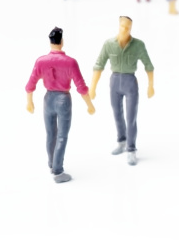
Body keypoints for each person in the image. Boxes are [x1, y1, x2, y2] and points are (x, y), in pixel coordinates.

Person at [25, 27, 95, 183]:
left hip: (48, 99)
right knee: (62, 136)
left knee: (51, 134)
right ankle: (57, 170)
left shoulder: (41, 61)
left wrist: (29, 101)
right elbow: (81, 87)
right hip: (63, 99)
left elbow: (31, 83)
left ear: (50, 42)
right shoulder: (70, 62)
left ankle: (52, 163)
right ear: (62, 41)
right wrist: (89, 104)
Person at [89, 16, 155, 166]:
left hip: (130, 82)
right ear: (118, 26)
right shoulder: (108, 44)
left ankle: (131, 149)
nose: (125, 29)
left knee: (131, 116)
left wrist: (150, 85)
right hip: (114, 82)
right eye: (122, 26)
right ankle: (122, 141)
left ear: (131, 28)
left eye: (128, 27)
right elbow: (99, 65)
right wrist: (93, 87)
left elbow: (148, 65)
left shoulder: (138, 45)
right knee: (117, 113)